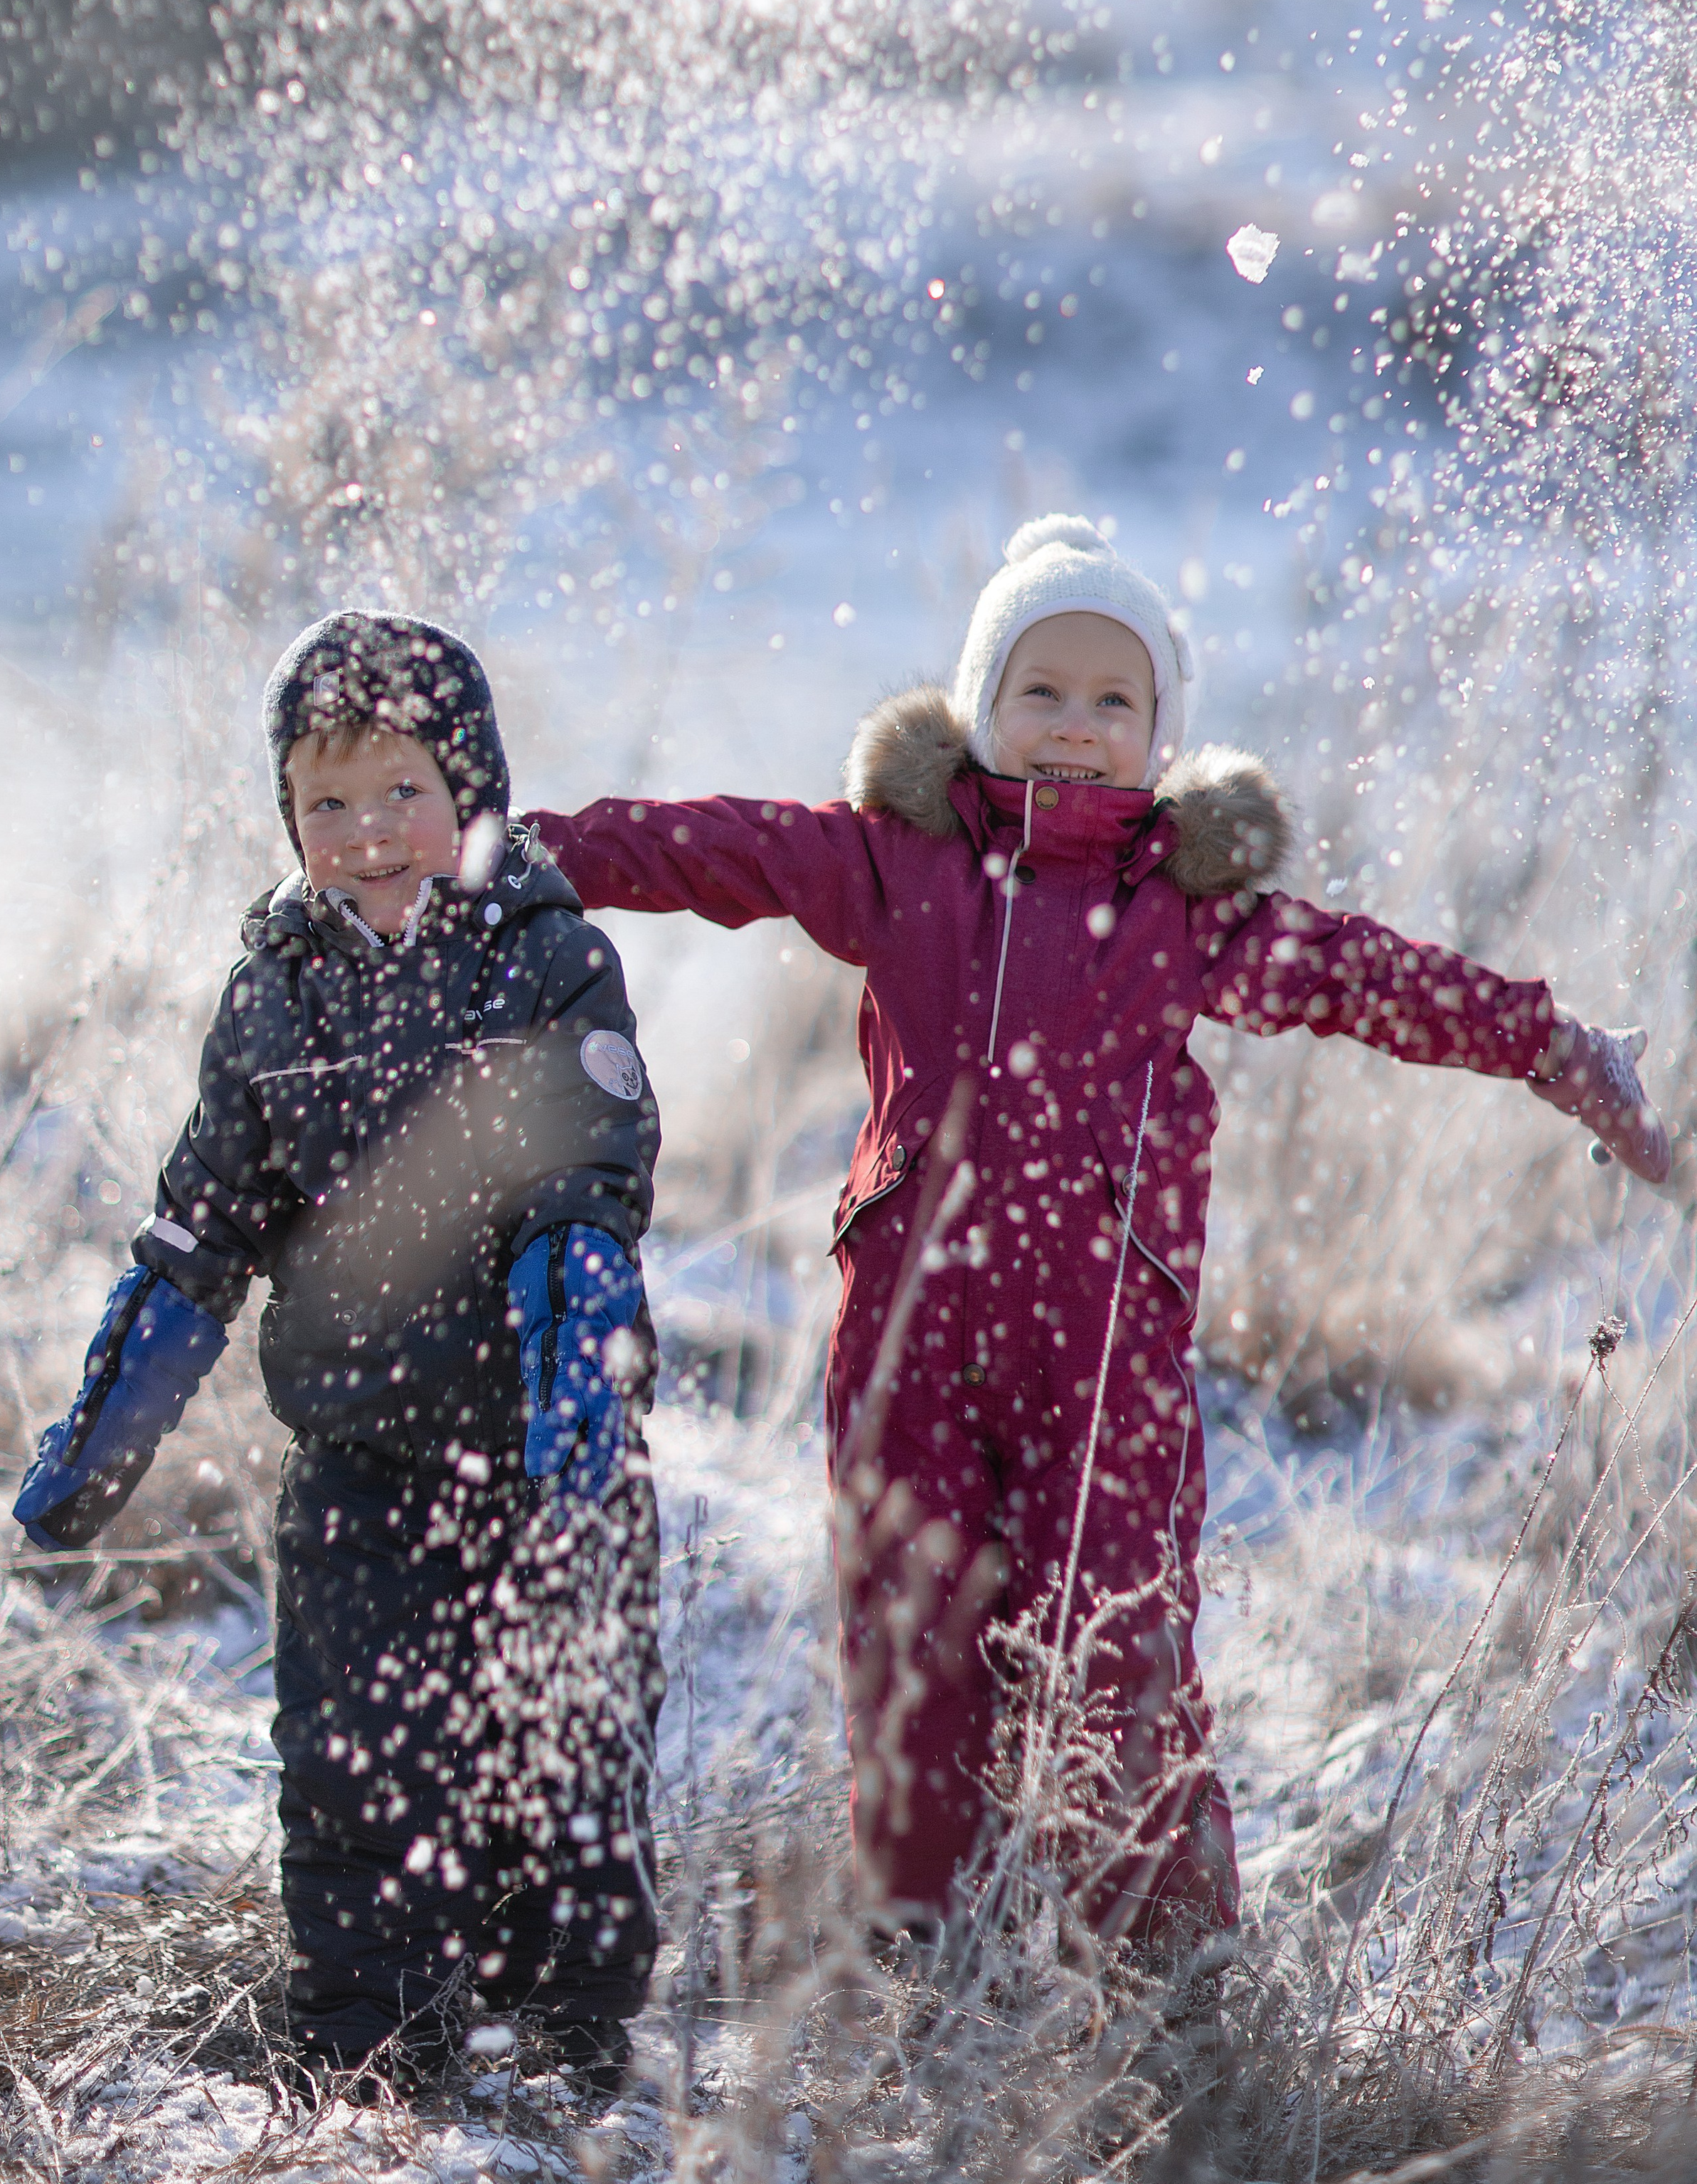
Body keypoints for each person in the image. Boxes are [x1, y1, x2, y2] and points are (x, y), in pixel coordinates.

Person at [524, 514, 1669, 1956]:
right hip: (908, 1345)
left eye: (1111, 701)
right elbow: (705, 850)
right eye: (1039, 692)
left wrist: (1544, 1040)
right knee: (911, 1645)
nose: (1073, 727)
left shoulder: (1184, 914)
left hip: (1104, 1358)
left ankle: (1155, 1971)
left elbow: (1365, 976)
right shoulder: (892, 866)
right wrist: (515, 860)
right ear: (978, 708)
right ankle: (922, 1951)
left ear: (1158, 736)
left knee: (1113, 1650)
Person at [15, 610, 664, 2096]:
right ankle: (371, 2047)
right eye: (326, 802)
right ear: (286, 816)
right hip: (359, 1465)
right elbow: (203, 1223)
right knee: (354, 1757)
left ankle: (568, 2039)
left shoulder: (547, 958)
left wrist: (581, 1387)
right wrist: (117, 1416)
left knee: (567, 1752)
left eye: (402, 795)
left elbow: (587, 1189)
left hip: (544, 1461)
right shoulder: (276, 992)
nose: (367, 834)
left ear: (474, 794)